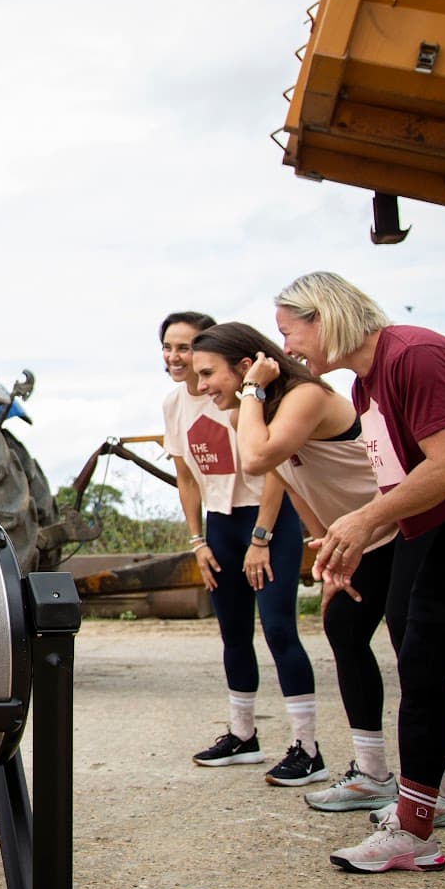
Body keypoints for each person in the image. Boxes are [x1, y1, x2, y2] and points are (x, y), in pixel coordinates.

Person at [273, 271, 445, 873]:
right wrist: (350, 541)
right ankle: (413, 830)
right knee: (421, 662)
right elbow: (402, 489)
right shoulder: (364, 389)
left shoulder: (415, 354)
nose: (289, 350)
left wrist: (359, 520)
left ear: (324, 316)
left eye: (290, 333)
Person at [191, 321, 445, 817]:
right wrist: (327, 552)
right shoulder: (263, 409)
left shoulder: (303, 396)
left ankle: (433, 790)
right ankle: (373, 774)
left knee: (414, 650)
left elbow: (259, 460)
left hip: (405, 523)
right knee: (345, 631)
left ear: (246, 368)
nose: (201, 387)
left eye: (208, 374)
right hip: (364, 537)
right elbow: (294, 482)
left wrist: (249, 393)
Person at [161, 312, 320, 785]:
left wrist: (261, 539)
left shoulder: (242, 398)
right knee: (233, 633)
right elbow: (185, 476)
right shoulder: (173, 404)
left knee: (277, 629)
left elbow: (276, 467)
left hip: (265, 519)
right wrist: (197, 541)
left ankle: (308, 749)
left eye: (186, 348)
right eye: (167, 346)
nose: (175, 357)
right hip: (220, 525)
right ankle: (243, 736)